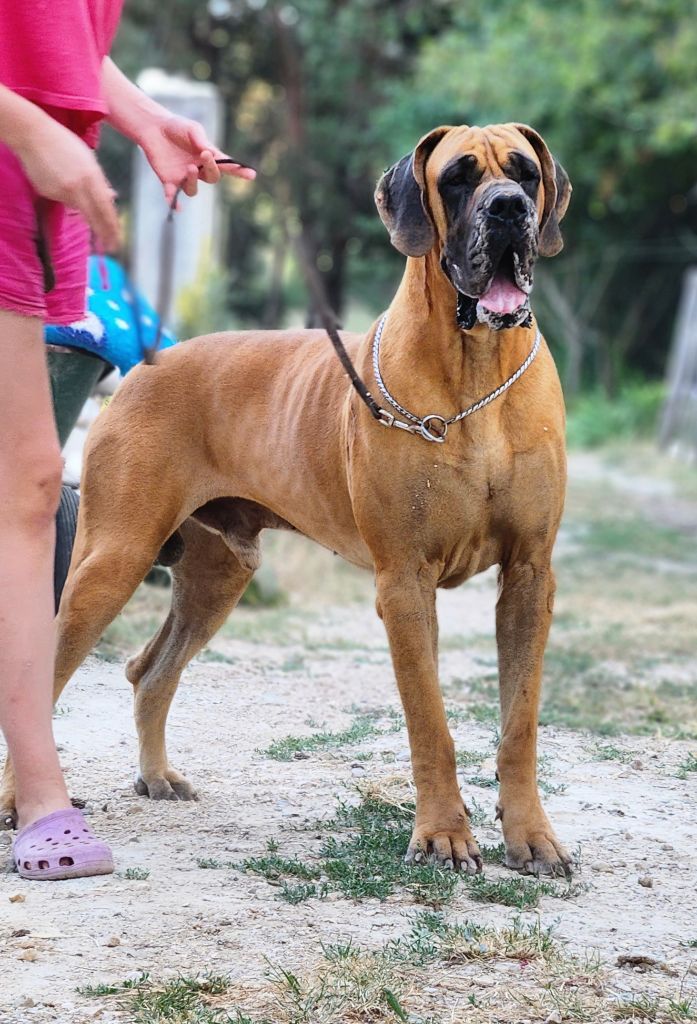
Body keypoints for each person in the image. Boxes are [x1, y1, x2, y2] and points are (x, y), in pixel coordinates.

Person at [0, 2, 254, 881]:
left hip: (33, 183)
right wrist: (27, 123)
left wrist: (141, 118)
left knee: (32, 487)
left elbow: (46, 32)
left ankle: (39, 793)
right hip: (22, 151)